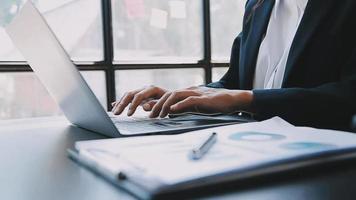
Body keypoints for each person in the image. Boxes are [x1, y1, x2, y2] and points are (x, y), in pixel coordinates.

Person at [112, 0, 356, 131]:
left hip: (322, 167)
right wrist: (184, 98)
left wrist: (246, 100)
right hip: (250, 152)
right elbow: (234, 84)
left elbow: (349, 96)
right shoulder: (258, 5)